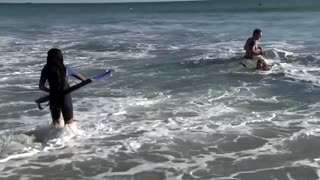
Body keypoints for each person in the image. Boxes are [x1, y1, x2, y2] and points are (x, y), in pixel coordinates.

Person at [39, 48, 86, 127]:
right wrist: (84, 80)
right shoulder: (66, 68)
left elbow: (41, 87)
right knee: (69, 123)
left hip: (54, 98)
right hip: (65, 98)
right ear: (61, 57)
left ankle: (54, 137)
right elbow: (83, 80)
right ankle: (70, 137)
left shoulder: (46, 69)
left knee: (56, 122)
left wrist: (51, 92)